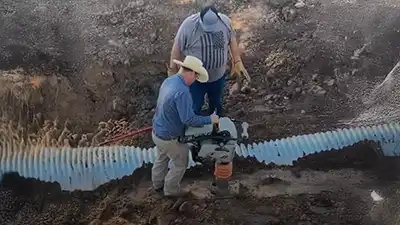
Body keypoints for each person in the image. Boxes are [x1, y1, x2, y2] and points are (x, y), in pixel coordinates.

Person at [151, 55, 220, 197]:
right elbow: (189, 120)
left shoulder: (169, 81)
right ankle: (171, 192)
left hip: (157, 131)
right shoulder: (182, 92)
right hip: (170, 137)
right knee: (180, 162)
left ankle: (157, 184)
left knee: (161, 158)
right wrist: (210, 119)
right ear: (192, 73)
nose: (195, 81)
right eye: (195, 77)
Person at [167, 4, 250, 117]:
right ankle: (192, 128)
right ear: (200, 19)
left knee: (216, 104)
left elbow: (232, 39)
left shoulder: (224, 22)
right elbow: (176, 49)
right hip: (195, 79)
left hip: (218, 77)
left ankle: (216, 124)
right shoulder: (189, 26)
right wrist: (173, 72)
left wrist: (237, 61)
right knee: (194, 106)